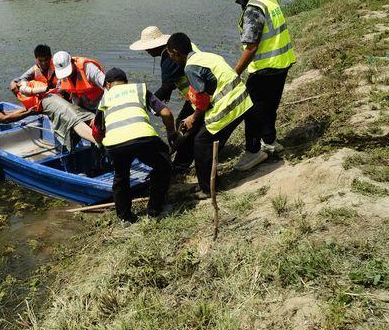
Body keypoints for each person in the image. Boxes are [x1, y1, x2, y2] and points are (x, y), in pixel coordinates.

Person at [166, 33, 263, 197]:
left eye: (170, 55)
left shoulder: (190, 68)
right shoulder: (206, 56)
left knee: (201, 142)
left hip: (230, 106)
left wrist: (193, 117)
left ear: (175, 52)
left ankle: (208, 189)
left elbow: (203, 99)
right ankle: (211, 178)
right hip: (243, 99)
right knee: (205, 137)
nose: (172, 59)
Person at [216, 0, 296, 155]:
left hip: (265, 67)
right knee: (269, 106)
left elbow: (251, 47)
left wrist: (234, 74)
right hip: (282, 62)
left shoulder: (253, 8)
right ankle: (270, 141)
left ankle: (252, 153)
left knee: (251, 111)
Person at [92, 68, 176, 224]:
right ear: (126, 82)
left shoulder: (104, 99)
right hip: (143, 138)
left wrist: (100, 146)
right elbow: (165, 113)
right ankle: (154, 211)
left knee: (121, 177)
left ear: (108, 85)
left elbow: (96, 130)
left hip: (114, 144)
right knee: (163, 165)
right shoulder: (139, 89)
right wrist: (171, 132)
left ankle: (125, 218)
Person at [129, 26, 198, 172]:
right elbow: (172, 82)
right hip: (197, 94)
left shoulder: (169, 55)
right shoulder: (176, 48)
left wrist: (147, 105)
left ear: (157, 45)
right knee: (185, 126)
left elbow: (166, 87)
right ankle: (181, 157)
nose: (147, 51)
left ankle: (180, 165)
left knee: (182, 127)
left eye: (148, 48)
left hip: (200, 95)